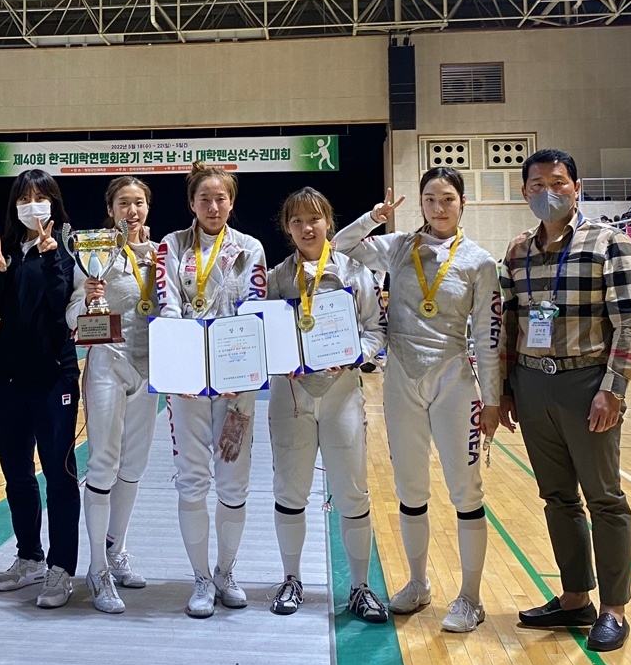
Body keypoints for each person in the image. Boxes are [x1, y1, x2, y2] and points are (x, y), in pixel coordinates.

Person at [334, 168, 501, 633]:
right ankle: (417, 583)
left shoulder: (479, 262)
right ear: (421, 203)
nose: (438, 207)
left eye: (447, 199)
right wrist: (374, 217)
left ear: (462, 203)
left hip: (454, 382)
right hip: (401, 380)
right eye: (430, 199)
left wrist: (491, 399)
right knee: (410, 489)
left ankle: (470, 598)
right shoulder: (399, 246)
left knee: (466, 491)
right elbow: (341, 247)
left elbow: (489, 337)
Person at [497, 148, 631, 653]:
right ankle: (575, 598)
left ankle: (614, 609)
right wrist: (507, 388)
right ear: (524, 193)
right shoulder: (517, 251)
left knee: (604, 498)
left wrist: (613, 389)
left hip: (587, 385)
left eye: (558, 183)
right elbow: (509, 323)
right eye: (537, 185)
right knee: (557, 497)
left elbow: (630, 323)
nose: (548, 193)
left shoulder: (609, 242)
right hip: (532, 383)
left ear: (576, 188)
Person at [266, 187, 387, 624]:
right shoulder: (277, 278)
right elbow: (263, 333)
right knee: (289, 492)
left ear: (328, 223)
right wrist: (277, 357)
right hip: (291, 397)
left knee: (353, 492)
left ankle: (359, 587)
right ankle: (292, 579)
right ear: (287, 228)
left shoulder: (356, 272)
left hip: (342, 395)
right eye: (297, 221)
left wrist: (355, 354)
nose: (306, 228)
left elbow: (376, 329)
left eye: (314, 219)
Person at [156, 161, 267, 618]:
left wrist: (233, 371)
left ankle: (226, 571)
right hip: (187, 385)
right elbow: (168, 305)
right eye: (205, 198)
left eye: (221, 198)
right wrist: (184, 368)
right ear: (192, 203)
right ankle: (201, 578)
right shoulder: (171, 245)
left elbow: (254, 308)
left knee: (233, 481)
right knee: (192, 479)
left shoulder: (250, 248)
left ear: (231, 202)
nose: (213, 206)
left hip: (235, 384)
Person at [0, 169, 80, 609]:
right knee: (17, 473)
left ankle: (62, 567)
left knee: (59, 474)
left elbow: (58, 305)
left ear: (54, 201)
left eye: (40, 196)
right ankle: (29, 556)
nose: (33, 205)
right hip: (8, 379)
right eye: (24, 198)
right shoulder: (7, 250)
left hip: (54, 377)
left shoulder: (70, 248)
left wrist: (51, 259)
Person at [64, 176, 162, 614]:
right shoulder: (93, 254)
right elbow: (71, 316)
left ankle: (116, 550)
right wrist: (87, 300)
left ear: (148, 208)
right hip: (107, 362)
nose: (132, 210)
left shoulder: (161, 254)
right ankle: (97, 568)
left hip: (149, 368)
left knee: (134, 465)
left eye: (139, 203)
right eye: (123, 203)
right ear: (111, 209)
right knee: (104, 463)